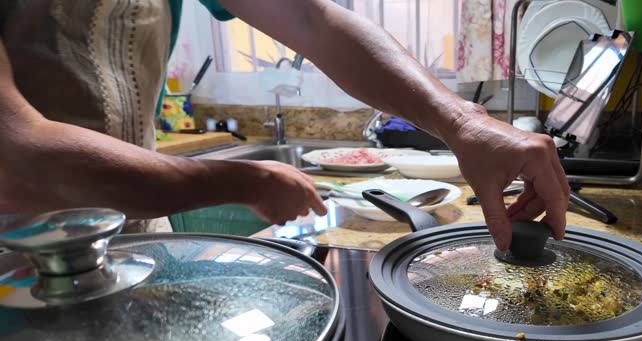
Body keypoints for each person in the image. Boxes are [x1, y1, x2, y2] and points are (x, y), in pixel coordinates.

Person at [0, 0, 569, 251]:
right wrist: (241, 182)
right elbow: (17, 158)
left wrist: (465, 120)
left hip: (138, 243)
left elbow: (311, 18)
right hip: (16, 267)